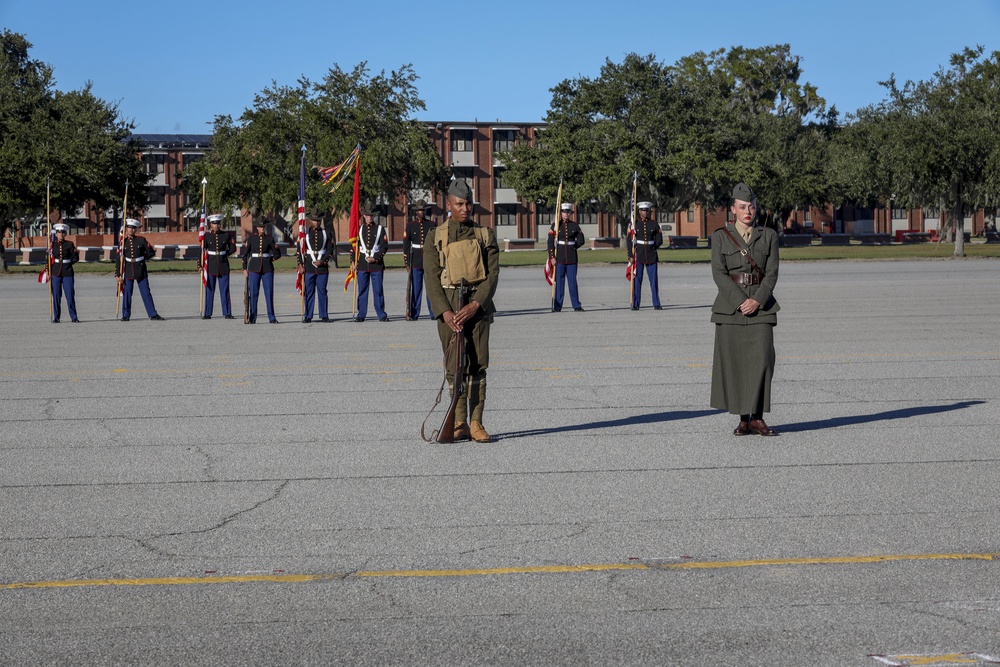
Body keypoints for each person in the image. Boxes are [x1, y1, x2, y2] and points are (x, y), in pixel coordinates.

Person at [424, 179, 500, 443]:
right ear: (449, 205)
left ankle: (476, 422)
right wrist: (445, 312)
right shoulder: (435, 236)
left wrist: (475, 304)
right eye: (459, 204)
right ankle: (458, 422)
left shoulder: (485, 234)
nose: (465, 208)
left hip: (477, 311)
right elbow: (432, 280)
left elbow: (492, 276)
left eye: (468, 203)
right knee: (454, 368)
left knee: (478, 367)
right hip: (449, 313)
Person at [710, 182, 780, 436]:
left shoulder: (769, 235)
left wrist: (757, 300)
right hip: (731, 308)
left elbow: (772, 273)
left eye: (751, 206)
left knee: (762, 362)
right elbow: (719, 273)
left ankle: (758, 417)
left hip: (761, 307)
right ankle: (743, 419)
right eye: (742, 207)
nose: (747, 211)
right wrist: (741, 300)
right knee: (736, 363)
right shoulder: (720, 237)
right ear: (733, 209)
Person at [116, 219, 164, 321]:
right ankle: (125, 315)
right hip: (128, 269)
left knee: (146, 292)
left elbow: (151, 252)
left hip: (140, 269)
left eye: (133, 228)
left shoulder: (141, 240)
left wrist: (143, 258)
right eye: (129, 228)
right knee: (127, 293)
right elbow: (119, 258)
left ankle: (152, 314)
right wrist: (118, 273)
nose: (130, 230)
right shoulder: (123, 242)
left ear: (135, 230)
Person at [296, 210, 335, 323]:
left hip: (322, 268)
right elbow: (299, 250)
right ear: (310, 220)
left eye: (318, 220)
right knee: (309, 291)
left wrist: (323, 261)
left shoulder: (327, 233)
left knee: (322, 291)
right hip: (309, 267)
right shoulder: (304, 233)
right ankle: (308, 315)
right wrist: (300, 265)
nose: (316, 222)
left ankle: (324, 315)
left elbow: (330, 249)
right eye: (314, 220)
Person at [240, 218, 281, 324]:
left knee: (269, 293)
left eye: (263, 227)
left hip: (267, 268)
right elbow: (245, 255)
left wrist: (270, 259)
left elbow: (277, 253)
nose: (262, 229)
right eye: (260, 227)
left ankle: (271, 317)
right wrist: (244, 268)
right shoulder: (252, 239)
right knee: (253, 294)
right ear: (257, 228)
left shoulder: (270, 239)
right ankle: (252, 317)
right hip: (254, 268)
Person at [547, 202, 586, 312]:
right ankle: (557, 306)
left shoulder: (574, 225)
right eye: (564, 212)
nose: (566, 214)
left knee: (572, 283)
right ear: (560, 213)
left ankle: (576, 305)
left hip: (572, 258)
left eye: (568, 212)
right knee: (559, 283)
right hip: (559, 258)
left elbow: (581, 240)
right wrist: (552, 257)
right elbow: (550, 242)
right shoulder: (555, 225)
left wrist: (573, 247)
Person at [354, 205, 389, 322]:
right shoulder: (359, 229)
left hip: (376, 264)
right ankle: (361, 314)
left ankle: (381, 313)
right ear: (364, 216)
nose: (369, 217)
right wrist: (352, 262)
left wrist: (376, 258)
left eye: (371, 216)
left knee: (378, 289)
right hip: (363, 264)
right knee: (362, 290)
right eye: (367, 215)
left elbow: (384, 247)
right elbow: (353, 247)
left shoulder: (380, 229)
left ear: (374, 216)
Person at [627, 201, 663, 310]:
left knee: (653, 281)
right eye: (643, 210)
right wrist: (630, 255)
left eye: (647, 210)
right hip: (639, 255)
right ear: (639, 211)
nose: (646, 212)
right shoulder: (635, 224)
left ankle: (656, 304)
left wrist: (653, 247)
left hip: (651, 254)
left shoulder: (654, 224)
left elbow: (659, 240)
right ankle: (636, 304)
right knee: (637, 281)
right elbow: (630, 241)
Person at [403, 199, 435, 320]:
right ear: (416, 212)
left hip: (429, 259)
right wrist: (407, 263)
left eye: (423, 210)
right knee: (416, 288)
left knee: (431, 288)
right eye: (419, 210)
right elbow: (406, 245)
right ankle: (414, 313)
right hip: (415, 260)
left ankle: (433, 312)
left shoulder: (431, 225)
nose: (421, 212)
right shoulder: (410, 225)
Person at [200, 214, 237, 319]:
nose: (217, 225)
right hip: (210, 265)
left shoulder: (226, 235)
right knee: (209, 289)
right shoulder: (206, 236)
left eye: (218, 223)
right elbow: (202, 251)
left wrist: (225, 254)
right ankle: (207, 313)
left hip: (223, 264)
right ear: (210, 225)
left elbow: (233, 247)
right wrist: (200, 264)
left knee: (224, 290)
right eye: (214, 224)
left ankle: (227, 313)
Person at [49, 222, 80, 323]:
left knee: (70, 295)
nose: (60, 234)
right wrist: (48, 271)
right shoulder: (52, 245)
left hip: (67, 272)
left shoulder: (70, 244)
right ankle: (56, 317)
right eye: (58, 233)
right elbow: (49, 259)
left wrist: (68, 262)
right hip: (56, 272)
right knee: (56, 296)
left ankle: (74, 317)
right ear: (56, 234)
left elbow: (76, 257)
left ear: (65, 234)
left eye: (62, 233)